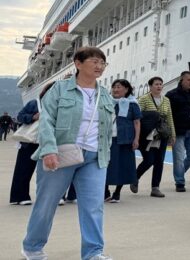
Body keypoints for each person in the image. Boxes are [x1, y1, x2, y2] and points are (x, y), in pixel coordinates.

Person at [22, 47, 116, 260]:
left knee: (93, 207)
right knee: (47, 204)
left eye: (103, 62)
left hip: (94, 157)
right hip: (61, 154)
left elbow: (109, 128)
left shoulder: (105, 95)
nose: (99, 66)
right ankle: (32, 247)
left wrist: (106, 153)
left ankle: (93, 252)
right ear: (78, 63)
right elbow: (46, 121)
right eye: (94, 61)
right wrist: (48, 150)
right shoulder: (60, 89)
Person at [9, 83, 55, 205]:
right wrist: (33, 117)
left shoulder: (60, 105)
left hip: (49, 141)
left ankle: (52, 197)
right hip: (30, 141)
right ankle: (19, 196)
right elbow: (20, 116)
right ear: (45, 91)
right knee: (23, 169)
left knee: (51, 171)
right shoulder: (35, 103)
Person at [132, 77, 175, 198]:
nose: (159, 86)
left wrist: (173, 134)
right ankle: (135, 177)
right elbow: (137, 116)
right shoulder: (144, 99)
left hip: (161, 134)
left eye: (161, 84)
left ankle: (155, 188)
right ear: (150, 86)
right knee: (149, 159)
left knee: (159, 161)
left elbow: (170, 117)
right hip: (147, 135)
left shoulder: (166, 100)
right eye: (156, 84)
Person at [104, 79, 140, 203]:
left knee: (124, 166)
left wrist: (136, 139)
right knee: (106, 165)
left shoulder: (132, 104)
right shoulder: (106, 102)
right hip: (108, 139)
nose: (115, 89)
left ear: (126, 89)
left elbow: (136, 122)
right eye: (114, 87)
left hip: (125, 139)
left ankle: (117, 192)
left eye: (119, 87)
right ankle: (105, 192)